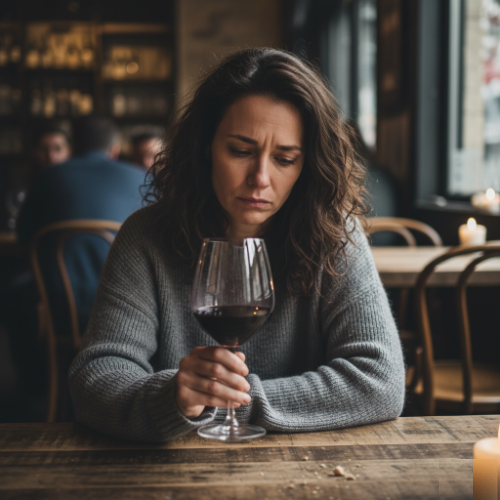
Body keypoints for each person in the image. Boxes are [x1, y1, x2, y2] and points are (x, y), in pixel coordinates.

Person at [69, 49, 405, 442]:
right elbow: (95, 379)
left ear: (307, 166)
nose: (260, 177)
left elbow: (380, 381)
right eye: (241, 151)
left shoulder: (335, 238)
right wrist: (172, 397)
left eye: (284, 159)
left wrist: (234, 401)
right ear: (205, 147)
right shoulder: (146, 237)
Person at [17, 116, 146, 339]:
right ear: (114, 150)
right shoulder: (142, 179)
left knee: (14, 296)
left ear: (73, 148)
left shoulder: (47, 177)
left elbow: (24, 237)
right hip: (127, 307)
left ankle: (41, 371)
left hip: (60, 306)